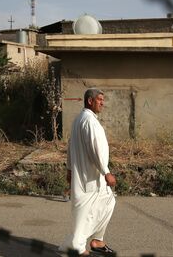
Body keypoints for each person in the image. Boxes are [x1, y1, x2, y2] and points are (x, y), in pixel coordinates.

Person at [59, 88, 117, 256]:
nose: (102, 102)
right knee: (87, 214)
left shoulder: (79, 119)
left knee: (107, 203)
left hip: (86, 175)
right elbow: (95, 149)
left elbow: (70, 147)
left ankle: (97, 240)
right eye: (99, 99)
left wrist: (69, 169)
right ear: (90, 101)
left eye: (102, 99)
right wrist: (106, 172)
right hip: (91, 177)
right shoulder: (89, 121)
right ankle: (79, 248)